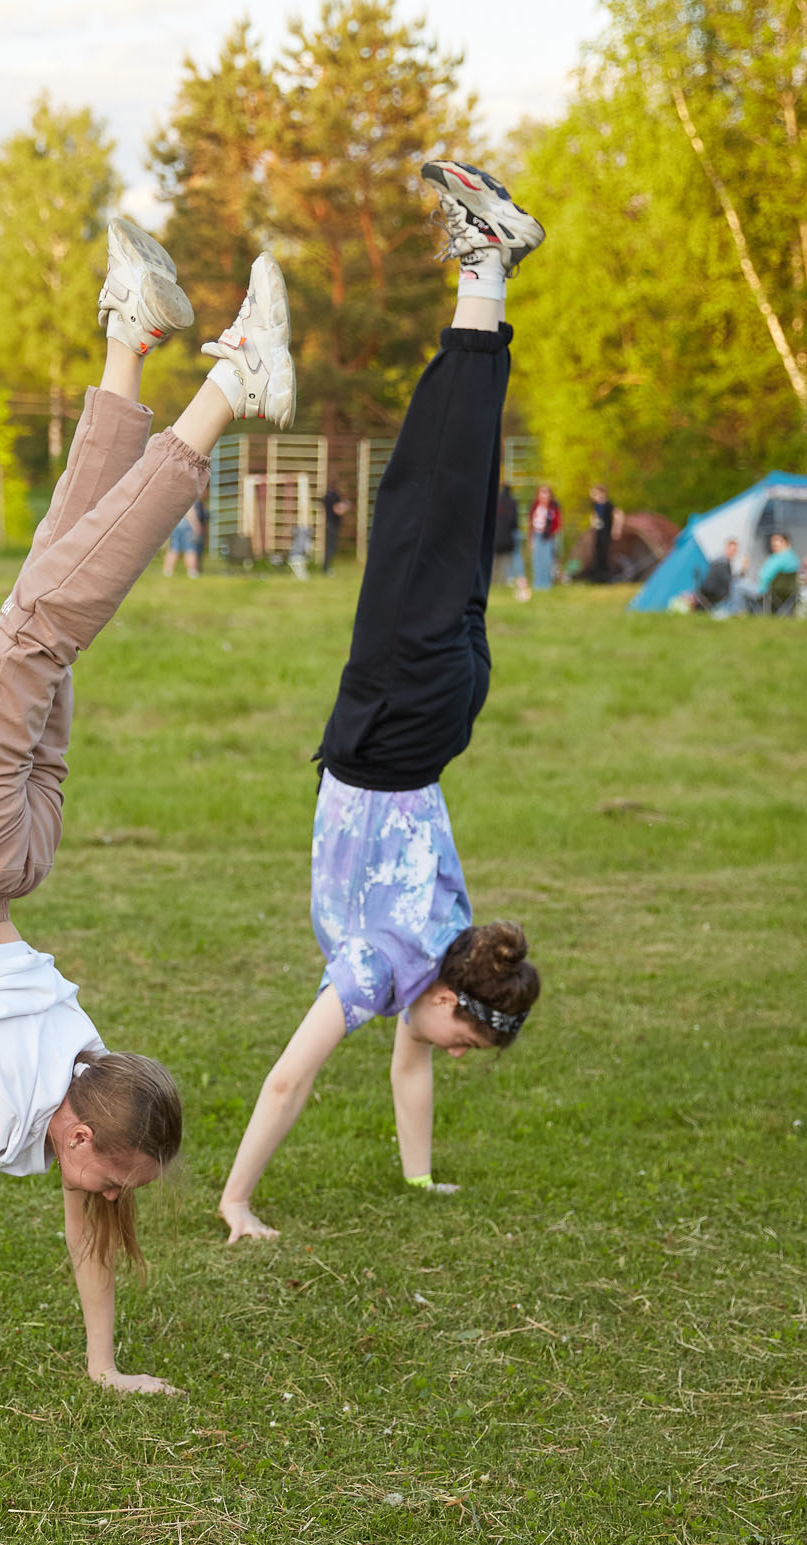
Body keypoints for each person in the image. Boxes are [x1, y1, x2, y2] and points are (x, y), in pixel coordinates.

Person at [0, 219, 300, 1444]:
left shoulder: (65, 1078)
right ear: (82, 1130)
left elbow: (42, 1242)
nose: (111, 1200)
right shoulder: (25, 1099)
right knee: (39, 619)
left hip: (4, 857)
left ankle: (129, 339)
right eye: (117, 1174)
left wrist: (103, 1365)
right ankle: (219, 392)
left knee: (43, 603)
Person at [216, 159, 545, 1245]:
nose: (438, 1055)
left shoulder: (443, 944)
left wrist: (419, 1183)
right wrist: (234, 1199)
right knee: (422, 492)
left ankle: (484, 280)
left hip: (441, 710)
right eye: (458, 1044)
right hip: (398, 715)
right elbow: (285, 1083)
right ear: (457, 998)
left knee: (447, 500)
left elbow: (407, 1069)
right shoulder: (387, 966)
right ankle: (485, 263)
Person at [747, 531, 800, 614]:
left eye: (776, 542)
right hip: (789, 591)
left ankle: (737, 612)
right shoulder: (793, 558)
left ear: (785, 542)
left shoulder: (778, 558)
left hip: (768, 590)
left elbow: (765, 576)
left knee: (737, 586)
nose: (772, 544)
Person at [527, 485, 560, 592]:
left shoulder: (553, 507)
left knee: (546, 561)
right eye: (542, 493)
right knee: (536, 560)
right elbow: (530, 523)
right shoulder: (535, 506)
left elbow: (557, 523)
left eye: (546, 494)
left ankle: (545, 584)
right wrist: (530, 538)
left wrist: (551, 533)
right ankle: (537, 584)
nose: (544, 496)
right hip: (536, 535)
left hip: (547, 537)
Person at [495, 479, 523, 600]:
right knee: (510, 559)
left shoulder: (497, 501)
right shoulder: (513, 503)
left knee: (496, 562)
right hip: (508, 536)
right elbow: (515, 522)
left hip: (497, 537)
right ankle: (511, 579)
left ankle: (497, 581)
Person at [164, 500, 201, 578]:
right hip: (187, 526)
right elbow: (190, 511)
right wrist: (195, 525)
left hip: (176, 524)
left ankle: (167, 571)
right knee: (190, 549)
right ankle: (192, 572)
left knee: (173, 548)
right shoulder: (191, 494)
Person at [584, 484, 614, 581]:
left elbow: (618, 515)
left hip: (606, 532)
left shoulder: (609, 505)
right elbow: (594, 516)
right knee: (598, 552)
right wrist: (593, 521)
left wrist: (615, 530)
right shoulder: (595, 505)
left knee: (605, 553)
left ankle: (606, 576)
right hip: (598, 532)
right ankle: (598, 575)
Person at [320, 481, 349, 574]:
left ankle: (325, 567)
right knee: (331, 547)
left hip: (327, 524)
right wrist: (345, 506)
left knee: (328, 547)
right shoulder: (335, 496)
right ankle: (326, 568)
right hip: (332, 525)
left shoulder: (326, 496)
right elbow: (338, 510)